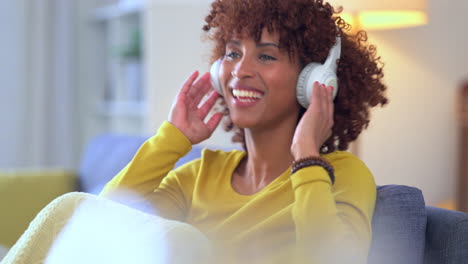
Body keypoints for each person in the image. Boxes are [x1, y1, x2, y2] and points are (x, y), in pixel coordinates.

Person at [101, 0, 388, 263]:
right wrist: (173, 138)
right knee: (66, 208)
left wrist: (306, 159)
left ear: (313, 80)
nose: (240, 70)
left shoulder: (342, 176)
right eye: (233, 53)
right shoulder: (198, 176)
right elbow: (100, 224)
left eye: (266, 57)